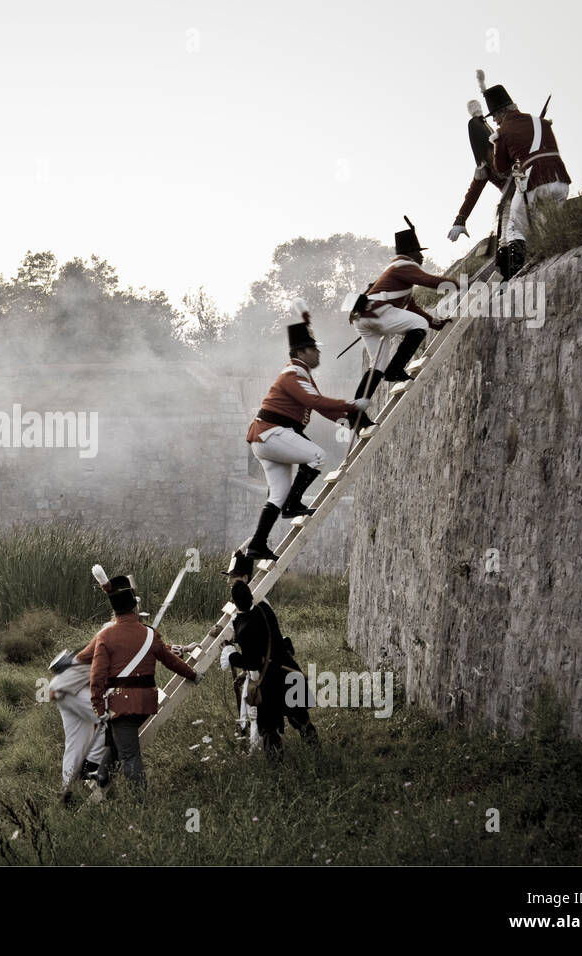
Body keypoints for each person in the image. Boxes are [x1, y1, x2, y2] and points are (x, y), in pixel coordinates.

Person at [243, 315, 369, 561]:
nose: (318, 354)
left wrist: (351, 421)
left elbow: (322, 409)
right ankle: (293, 504)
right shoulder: (292, 375)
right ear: (301, 351)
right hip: (271, 433)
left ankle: (257, 544)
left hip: (269, 437)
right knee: (316, 455)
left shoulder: (301, 374)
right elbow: (315, 402)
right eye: (314, 349)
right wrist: (352, 405)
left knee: (277, 495)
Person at [88, 571, 201, 793]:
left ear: (115, 610)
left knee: (129, 754)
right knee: (121, 739)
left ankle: (140, 803)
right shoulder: (150, 634)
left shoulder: (105, 636)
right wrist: (194, 675)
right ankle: (102, 774)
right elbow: (171, 661)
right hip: (146, 703)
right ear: (134, 607)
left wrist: (99, 708)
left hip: (122, 705)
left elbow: (97, 678)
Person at [215, 551, 317, 754]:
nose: (228, 582)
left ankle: (302, 763)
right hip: (278, 672)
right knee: (291, 720)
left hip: (272, 675)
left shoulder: (257, 608)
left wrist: (231, 654)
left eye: (232, 578)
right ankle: (310, 757)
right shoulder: (256, 606)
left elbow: (255, 652)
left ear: (244, 579)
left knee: (285, 723)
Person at [349, 217, 452, 402]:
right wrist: (461, 283)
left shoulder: (397, 273)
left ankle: (356, 414)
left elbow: (412, 307)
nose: (422, 257)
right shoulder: (404, 265)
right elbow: (430, 281)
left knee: (377, 365)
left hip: (364, 318)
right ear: (410, 253)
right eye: (418, 252)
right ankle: (395, 370)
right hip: (376, 312)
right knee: (418, 324)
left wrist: (436, 324)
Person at [480, 71, 571, 280]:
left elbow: (500, 167)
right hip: (560, 180)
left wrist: (497, 144)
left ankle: (514, 276)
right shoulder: (540, 122)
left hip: (535, 180)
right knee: (546, 224)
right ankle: (547, 257)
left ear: (501, 111)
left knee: (513, 227)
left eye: (494, 115)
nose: (494, 120)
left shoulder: (501, 132)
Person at [447, 97, 510, 247]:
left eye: (492, 150)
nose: (491, 155)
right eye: (487, 153)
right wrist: (460, 220)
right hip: (512, 199)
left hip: (533, 189)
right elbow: (473, 193)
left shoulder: (508, 150)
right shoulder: (485, 169)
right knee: (506, 236)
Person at [49, 641, 108, 794]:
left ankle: (69, 789)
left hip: (62, 689)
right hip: (70, 690)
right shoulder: (109, 633)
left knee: (76, 743)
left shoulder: (112, 635)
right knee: (108, 720)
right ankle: (90, 767)